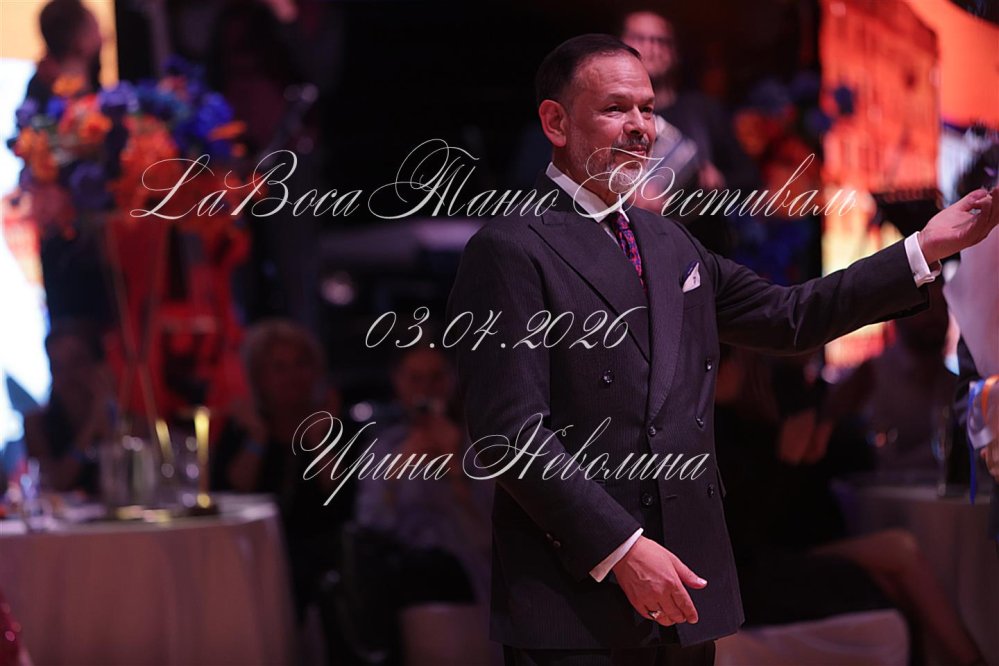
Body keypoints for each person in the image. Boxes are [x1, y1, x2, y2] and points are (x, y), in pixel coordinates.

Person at [446, 34, 998, 665]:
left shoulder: (668, 241)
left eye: (648, 108)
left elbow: (791, 316)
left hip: (687, 588)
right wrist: (622, 549)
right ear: (555, 122)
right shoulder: (511, 248)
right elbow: (511, 434)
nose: (641, 127)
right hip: (578, 602)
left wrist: (925, 247)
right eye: (616, 108)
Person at [23, 320, 114, 495]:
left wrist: (107, 421)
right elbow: (55, 482)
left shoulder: (126, 419)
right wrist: (90, 428)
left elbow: (122, 483)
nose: (68, 374)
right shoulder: (35, 423)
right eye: (57, 366)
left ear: (98, 366)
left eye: (77, 362)